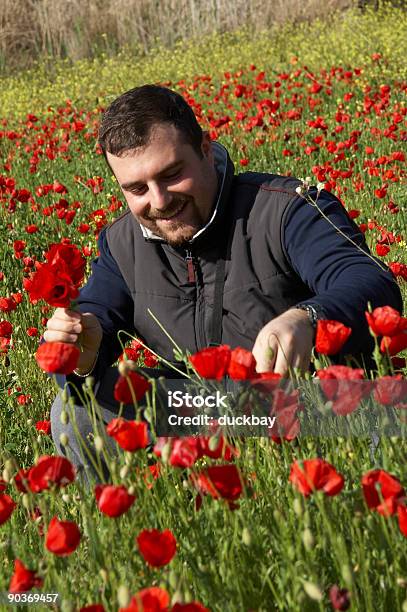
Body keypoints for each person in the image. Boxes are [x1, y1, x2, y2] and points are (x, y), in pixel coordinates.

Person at [46, 85, 402, 479]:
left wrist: (307, 318)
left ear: (205, 148)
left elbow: (370, 282)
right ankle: (115, 536)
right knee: (74, 410)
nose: (159, 200)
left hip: (308, 407)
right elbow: (96, 317)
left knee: (397, 409)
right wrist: (80, 354)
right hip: (196, 409)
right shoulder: (121, 243)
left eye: (171, 174)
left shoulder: (285, 209)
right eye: (136, 188)